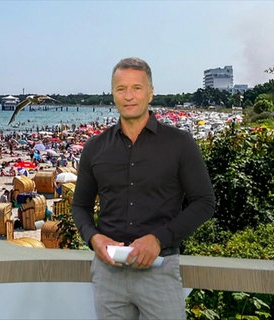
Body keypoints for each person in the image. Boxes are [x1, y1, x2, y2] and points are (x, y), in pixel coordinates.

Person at [72, 57, 215, 320]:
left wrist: (159, 239)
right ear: (112, 94)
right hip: (108, 273)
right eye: (121, 89)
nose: (129, 96)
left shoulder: (180, 143)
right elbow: (79, 206)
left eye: (137, 88)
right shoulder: (95, 148)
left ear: (150, 93)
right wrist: (94, 238)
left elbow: (204, 202)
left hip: (159, 270)